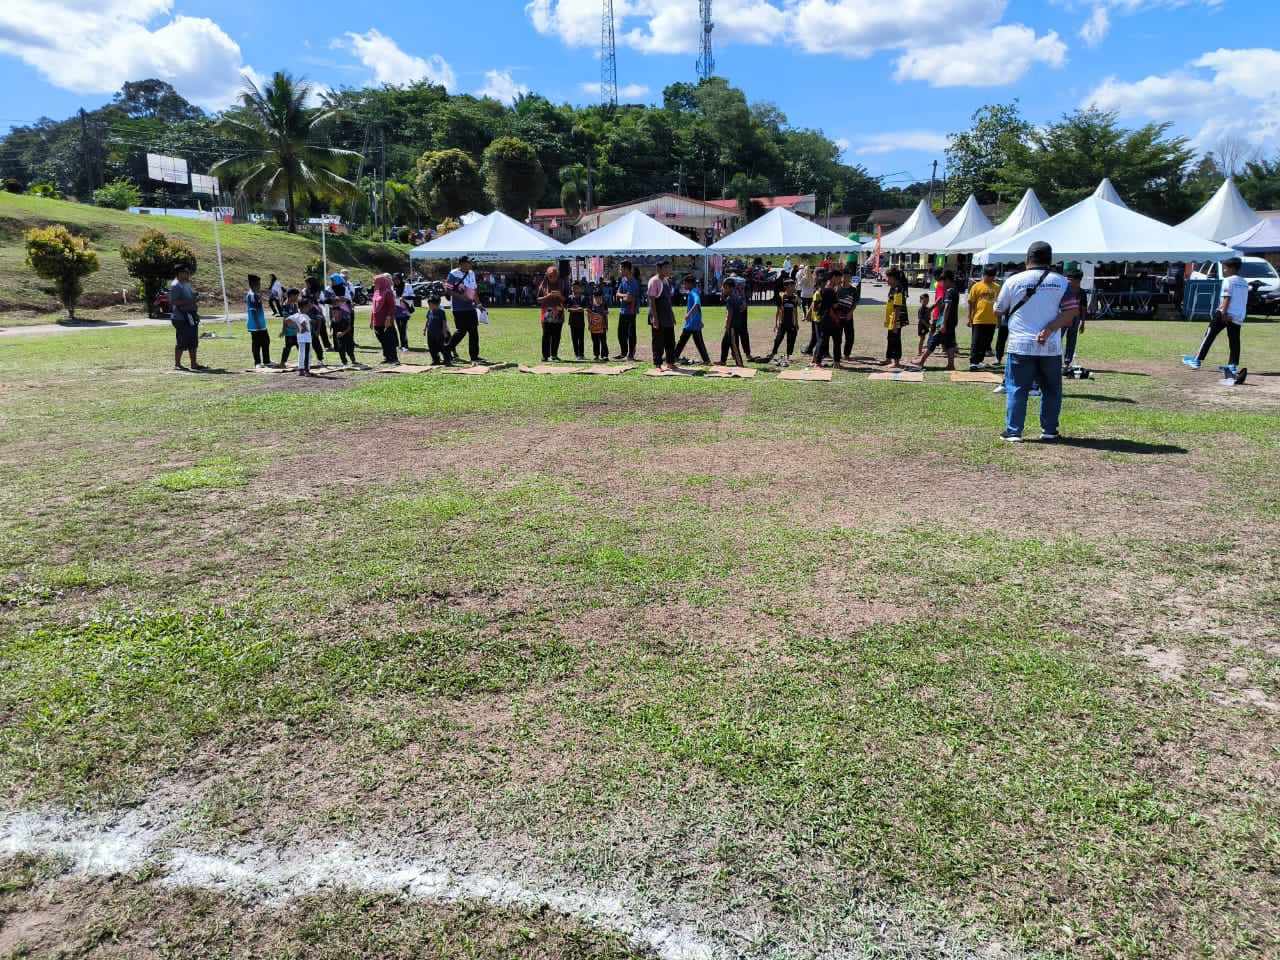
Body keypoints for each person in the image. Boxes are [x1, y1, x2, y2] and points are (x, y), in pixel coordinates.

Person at [996, 241, 1073, 442]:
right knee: (1051, 390)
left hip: (1020, 344)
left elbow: (999, 309)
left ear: (1027, 259)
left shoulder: (1013, 281)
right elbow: (1071, 310)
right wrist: (1049, 329)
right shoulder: (1061, 282)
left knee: (1017, 388)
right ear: (1050, 260)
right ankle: (1049, 430)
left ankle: (1014, 431)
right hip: (1050, 346)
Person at [1183, 256, 1247, 374]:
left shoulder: (1228, 280)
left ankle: (1197, 360)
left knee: (1209, 335)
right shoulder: (1244, 282)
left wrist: (1223, 313)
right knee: (1234, 341)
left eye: (1225, 268)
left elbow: (1227, 298)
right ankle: (1232, 366)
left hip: (1224, 313)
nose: (1223, 271)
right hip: (1238, 315)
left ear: (1232, 268)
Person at [911, 270, 959, 370]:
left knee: (933, 340)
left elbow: (947, 308)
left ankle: (921, 361)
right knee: (950, 343)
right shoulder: (955, 290)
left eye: (942, 282)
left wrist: (943, 323)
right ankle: (951, 365)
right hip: (952, 321)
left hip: (945, 322)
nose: (941, 284)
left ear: (947, 280)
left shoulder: (950, 292)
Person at [445, 255, 482, 364]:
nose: (470, 264)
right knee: (461, 331)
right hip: (459, 308)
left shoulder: (471, 273)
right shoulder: (453, 274)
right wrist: (461, 297)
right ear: (461, 264)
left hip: (471, 307)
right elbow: (448, 290)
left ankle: (474, 357)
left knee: (474, 332)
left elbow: (474, 290)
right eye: (468, 263)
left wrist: (479, 304)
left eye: (470, 263)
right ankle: (447, 349)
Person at [966, 266, 1000, 369]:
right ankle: (973, 362)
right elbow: (971, 302)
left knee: (986, 342)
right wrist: (969, 317)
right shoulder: (976, 286)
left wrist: (998, 320)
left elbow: (999, 304)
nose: (989, 278)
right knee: (976, 341)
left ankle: (980, 361)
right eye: (988, 276)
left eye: (992, 276)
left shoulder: (997, 287)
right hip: (978, 318)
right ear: (983, 275)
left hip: (992, 319)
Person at [647, 261, 678, 371]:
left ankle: (670, 362)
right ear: (659, 269)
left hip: (667, 316)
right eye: (665, 268)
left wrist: (672, 315)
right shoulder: (654, 281)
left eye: (668, 268)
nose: (667, 270)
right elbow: (652, 301)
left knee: (670, 341)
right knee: (658, 342)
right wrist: (655, 318)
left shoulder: (666, 281)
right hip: (658, 316)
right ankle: (658, 364)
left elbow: (668, 300)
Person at [675, 274, 710, 364]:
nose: (684, 285)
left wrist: (689, 314)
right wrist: (700, 320)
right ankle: (706, 360)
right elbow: (698, 308)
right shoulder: (695, 291)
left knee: (682, 341)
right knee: (698, 342)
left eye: (685, 284)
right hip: (694, 322)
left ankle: (674, 357)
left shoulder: (693, 293)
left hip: (691, 323)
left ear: (690, 284)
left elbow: (697, 304)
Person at [766, 276, 801, 365]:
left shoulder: (795, 298)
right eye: (791, 286)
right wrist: (776, 323)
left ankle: (788, 356)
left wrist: (797, 324)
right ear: (786, 287)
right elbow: (778, 311)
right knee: (778, 339)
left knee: (791, 340)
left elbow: (795, 311)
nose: (793, 288)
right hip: (783, 323)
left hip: (792, 323)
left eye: (794, 286)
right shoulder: (781, 297)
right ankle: (773, 353)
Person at [810, 271, 841, 368]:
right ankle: (836, 362)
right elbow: (835, 305)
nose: (840, 280)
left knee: (822, 340)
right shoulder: (830, 290)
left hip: (823, 318)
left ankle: (817, 361)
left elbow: (816, 306)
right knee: (836, 341)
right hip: (831, 318)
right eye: (839, 278)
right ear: (833, 278)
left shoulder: (821, 290)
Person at [537, 266, 566, 362]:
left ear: (557, 275)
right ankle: (545, 355)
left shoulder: (562, 284)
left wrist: (559, 295)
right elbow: (538, 299)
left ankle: (554, 355)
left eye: (554, 276)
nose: (552, 278)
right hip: (546, 314)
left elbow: (566, 300)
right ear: (547, 275)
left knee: (556, 335)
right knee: (546, 335)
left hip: (558, 313)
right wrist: (548, 296)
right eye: (550, 276)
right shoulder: (543, 285)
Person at [370, 273, 399, 364]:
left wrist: (388, 318)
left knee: (389, 340)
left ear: (381, 282)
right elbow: (374, 308)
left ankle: (394, 358)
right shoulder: (376, 293)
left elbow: (392, 306)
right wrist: (371, 320)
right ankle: (387, 357)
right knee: (382, 340)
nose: (374, 284)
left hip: (386, 321)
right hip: (377, 321)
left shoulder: (388, 292)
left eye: (376, 282)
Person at [881, 267, 908, 368]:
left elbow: (898, 307)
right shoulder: (893, 287)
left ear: (893, 278)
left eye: (888, 277)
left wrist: (895, 323)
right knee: (890, 338)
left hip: (897, 319)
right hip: (891, 318)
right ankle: (888, 358)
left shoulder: (898, 288)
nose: (886, 279)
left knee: (896, 339)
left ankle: (896, 362)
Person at [720, 277, 750, 366]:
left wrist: (727, 325)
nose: (723, 289)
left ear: (731, 288)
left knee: (734, 346)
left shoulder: (730, 299)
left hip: (732, 326)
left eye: (725, 288)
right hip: (736, 324)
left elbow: (730, 313)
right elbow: (743, 307)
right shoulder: (738, 297)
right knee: (725, 342)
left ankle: (739, 364)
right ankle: (722, 361)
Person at [1061, 268, 1085, 370]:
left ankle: (1067, 361)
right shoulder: (1063, 290)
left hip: (1075, 319)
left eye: (1070, 279)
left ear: (1078, 280)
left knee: (1072, 340)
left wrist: (1083, 322)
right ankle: (1056, 359)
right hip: (1062, 317)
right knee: (1058, 339)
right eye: (1067, 278)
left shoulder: (1082, 292)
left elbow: (1083, 308)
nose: (1068, 281)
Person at [245, 274, 271, 368]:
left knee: (266, 341)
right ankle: (257, 362)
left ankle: (266, 361)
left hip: (261, 324)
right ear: (252, 284)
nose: (260, 286)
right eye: (258, 284)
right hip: (255, 325)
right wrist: (257, 324)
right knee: (256, 343)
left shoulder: (256, 295)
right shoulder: (251, 295)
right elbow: (253, 311)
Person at [330, 282, 358, 366]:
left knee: (349, 350)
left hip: (347, 335)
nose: (334, 314)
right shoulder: (334, 319)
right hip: (339, 337)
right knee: (341, 349)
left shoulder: (344, 317)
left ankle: (352, 358)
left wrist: (343, 333)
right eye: (333, 312)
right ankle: (344, 362)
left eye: (335, 312)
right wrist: (331, 333)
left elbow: (349, 327)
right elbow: (332, 326)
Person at [837, 270, 860, 360]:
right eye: (844, 276)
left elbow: (855, 303)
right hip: (837, 317)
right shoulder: (837, 288)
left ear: (850, 278)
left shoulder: (853, 290)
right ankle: (837, 355)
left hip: (848, 317)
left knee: (850, 337)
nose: (846, 279)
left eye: (848, 277)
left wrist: (850, 313)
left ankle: (847, 355)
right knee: (838, 337)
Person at [566, 277, 590, 360]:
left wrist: (581, 309)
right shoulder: (570, 298)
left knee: (581, 338)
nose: (574, 289)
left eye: (576, 288)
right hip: (572, 322)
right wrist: (577, 309)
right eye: (573, 287)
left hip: (580, 322)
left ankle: (581, 354)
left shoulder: (583, 298)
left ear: (580, 289)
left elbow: (586, 308)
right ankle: (576, 354)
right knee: (574, 339)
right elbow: (568, 309)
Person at [424, 295, 450, 365]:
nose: (429, 306)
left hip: (439, 333)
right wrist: (425, 329)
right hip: (430, 332)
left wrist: (444, 331)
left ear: (437, 304)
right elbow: (428, 320)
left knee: (442, 346)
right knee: (431, 346)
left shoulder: (441, 312)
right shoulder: (429, 311)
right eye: (429, 305)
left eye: (431, 305)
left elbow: (444, 322)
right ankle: (435, 360)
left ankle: (447, 359)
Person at [279, 287, 301, 367]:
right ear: (291, 296)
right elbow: (286, 319)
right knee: (288, 347)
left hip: (296, 331)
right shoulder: (286, 306)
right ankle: (282, 362)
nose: (298, 298)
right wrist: (283, 330)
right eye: (297, 296)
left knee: (300, 346)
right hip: (290, 332)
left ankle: (303, 361)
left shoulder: (294, 305)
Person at [294, 296, 315, 376]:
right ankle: (306, 370)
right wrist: (304, 328)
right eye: (308, 306)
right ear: (303, 307)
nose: (309, 308)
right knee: (307, 354)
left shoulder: (299, 315)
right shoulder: (303, 316)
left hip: (301, 338)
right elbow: (303, 323)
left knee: (301, 353)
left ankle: (301, 369)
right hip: (306, 339)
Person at [393, 274, 414, 351]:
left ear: (400, 279)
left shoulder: (407, 286)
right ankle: (401, 345)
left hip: (405, 310)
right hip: (396, 310)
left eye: (397, 279)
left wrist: (404, 298)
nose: (396, 281)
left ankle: (405, 345)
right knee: (399, 328)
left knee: (403, 328)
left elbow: (413, 296)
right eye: (394, 279)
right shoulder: (393, 287)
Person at [589, 289, 610, 361]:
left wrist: (606, 325)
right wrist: (589, 325)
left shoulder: (604, 304)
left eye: (599, 297)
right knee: (595, 341)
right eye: (596, 297)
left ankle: (605, 355)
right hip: (594, 326)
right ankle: (596, 355)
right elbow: (589, 315)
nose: (598, 299)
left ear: (602, 297)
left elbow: (606, 315)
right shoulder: (591, 303)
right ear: (593, 297)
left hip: (602, 326)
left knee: (603, 341)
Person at [916, 292, 931, 357]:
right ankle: (919, 352)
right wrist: (927, 325)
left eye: (927, 301)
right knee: (922, 338)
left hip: (926, 325)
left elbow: (927, 318)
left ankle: (921, 350)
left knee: (923, 338)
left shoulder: (926, 308)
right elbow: (921, 318)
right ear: (920, 301)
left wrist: (929, 324)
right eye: (924, 301)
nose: (926, 302)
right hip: (922, 326)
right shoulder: (921, 309)